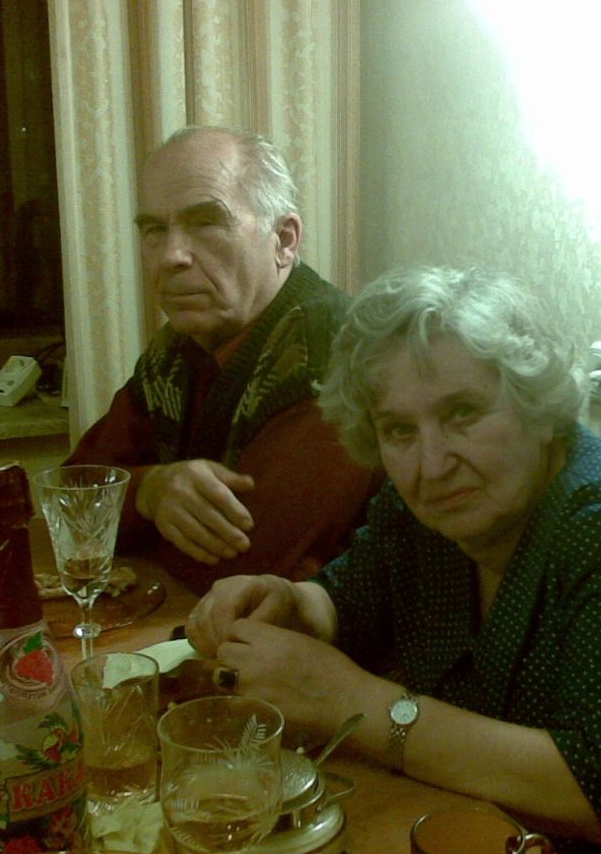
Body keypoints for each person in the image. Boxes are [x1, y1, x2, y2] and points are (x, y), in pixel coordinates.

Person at [185, 266, 601, 854]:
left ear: (537, 408)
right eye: (399, 430)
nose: (432, 462)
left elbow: (592, 792)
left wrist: (346, 699)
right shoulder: (429, 507)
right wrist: (289, 602)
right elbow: (347, 597)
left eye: (463, 413)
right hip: (484, 840)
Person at [66, 126, 379, 593]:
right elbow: (69, 500)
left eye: (206, 222)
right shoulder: (176, 349)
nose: (171, 256)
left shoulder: (331, 350)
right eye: (154, 230)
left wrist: (129, 512)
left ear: (284, 240)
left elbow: (240, 569)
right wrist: (150, 491)